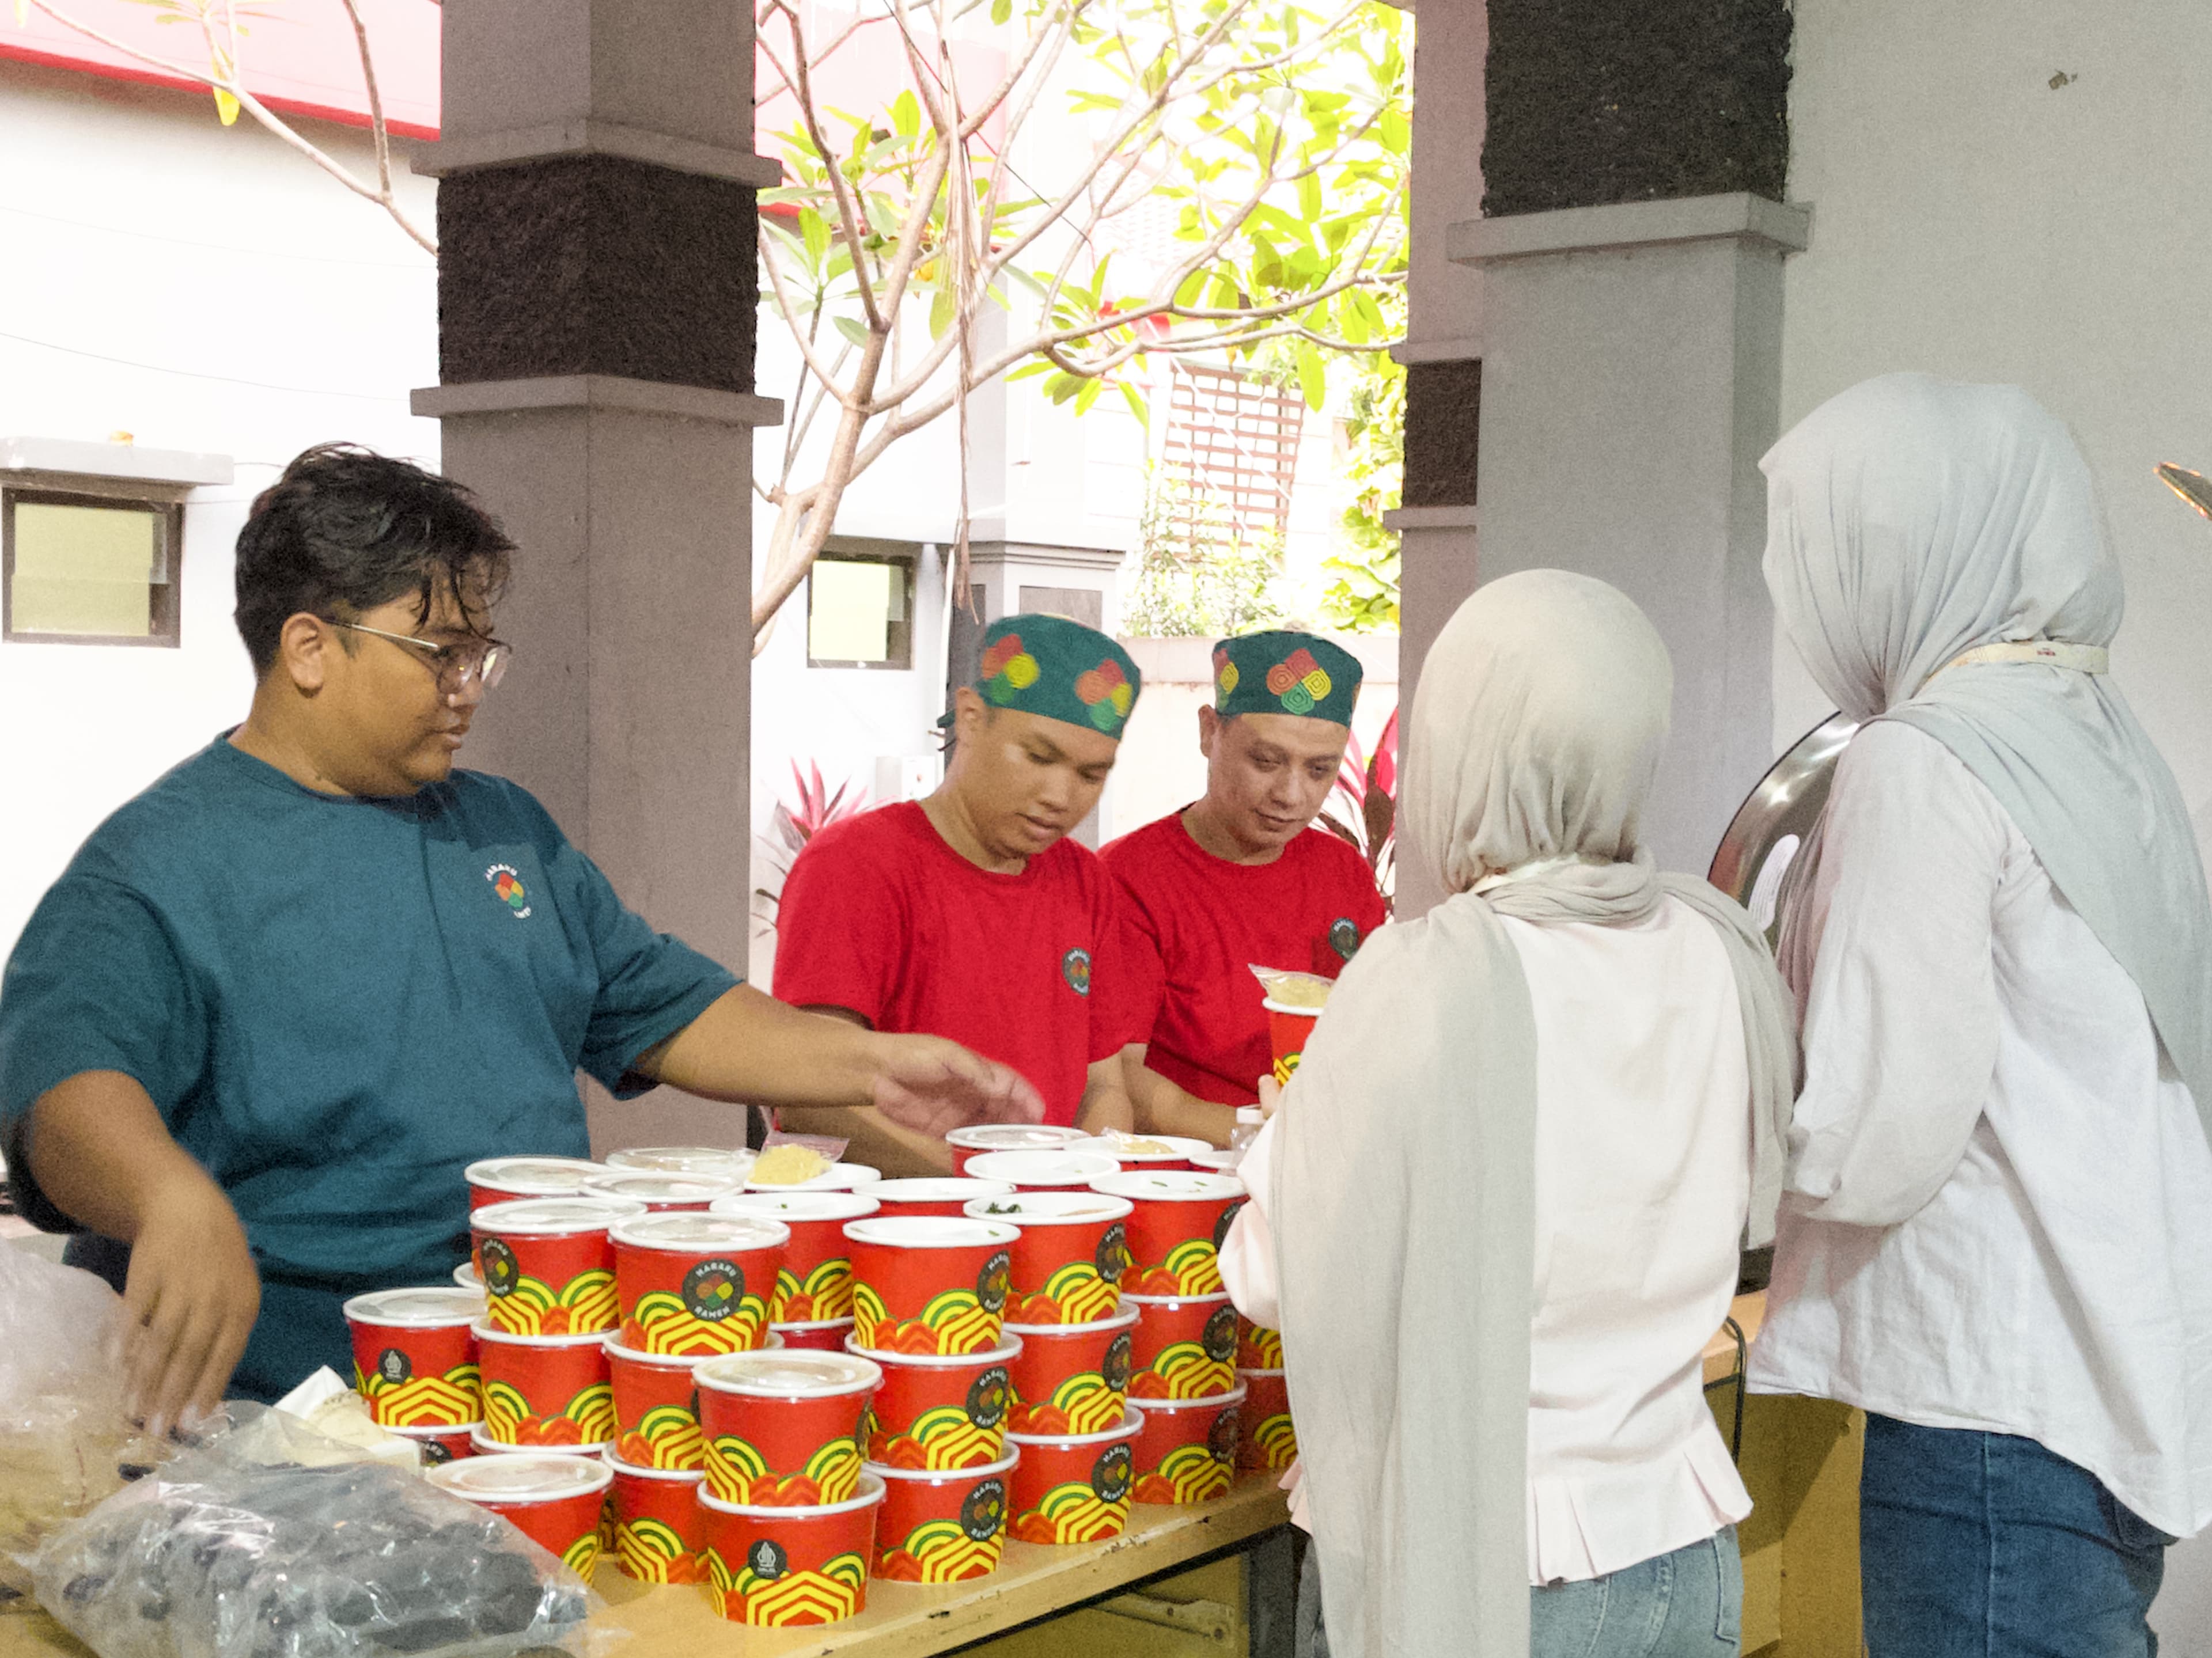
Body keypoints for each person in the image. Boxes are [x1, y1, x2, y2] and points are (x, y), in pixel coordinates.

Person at [0, 445, 1041, 1434]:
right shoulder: (161, 861)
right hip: (282, 1408)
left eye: (477, 653)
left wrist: (870, 1060)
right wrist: (166, 1194)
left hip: (531, 1363)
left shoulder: (503, 829)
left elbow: (660, 1003)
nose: (468, 687)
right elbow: (63, 1084)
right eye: (439, 653)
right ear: (310, 647)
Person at [1220, 570, 1796, 1658]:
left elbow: (1275, 1278)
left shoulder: (1432, 971)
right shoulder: (1715, 939)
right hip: (1679, 1531)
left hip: (1479, 1560)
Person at [1747, 374, 2212, 1656]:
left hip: (1989, 1403)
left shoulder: (1927, 756)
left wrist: (1692, 1152)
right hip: (2103, 1371)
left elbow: (1880, 1136)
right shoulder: (2096, 733)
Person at [770, 614, 1142, 1172]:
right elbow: (811, 1096)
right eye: (1038, 757)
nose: (1060, 795)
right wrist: (985, 1184)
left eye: (1091, 774)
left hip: (1044, 1223)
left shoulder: (1087, 882)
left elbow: (1104, 1083)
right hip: (889, 1226)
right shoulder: (856, 863)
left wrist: (1079, 1182)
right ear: (970, 717)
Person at [1104, 630, 1387, 1145]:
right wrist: (1267, 1139)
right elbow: (1118, 1077)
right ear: (1210, 732)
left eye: (1320, 769)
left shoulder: (1341, 871)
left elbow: (1376, 1033)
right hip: (1191, 1173)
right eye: (1266, 761)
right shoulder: (1129, 877)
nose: (1290, 794)